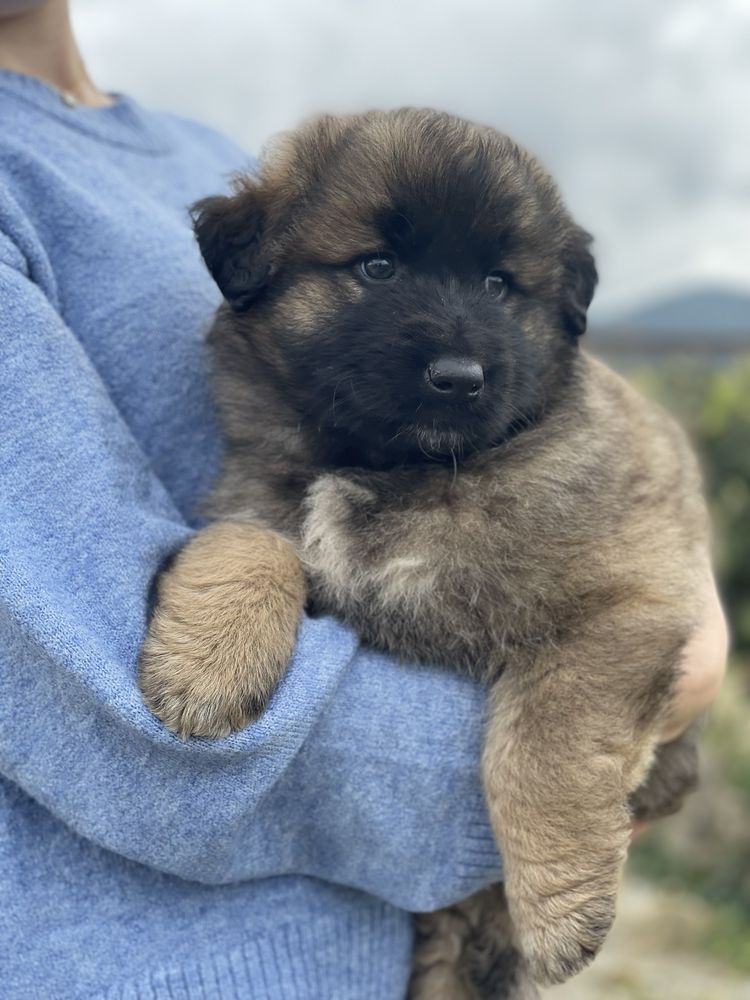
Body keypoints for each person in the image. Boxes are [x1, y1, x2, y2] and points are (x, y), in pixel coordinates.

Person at [0, 1, 728, 997]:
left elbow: (635, 600)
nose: (457, 352)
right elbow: (112, 705)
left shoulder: (200, 148)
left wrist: (594, 736)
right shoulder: (264, 216)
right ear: (248, 266)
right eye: (377, 270)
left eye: (500, 283)